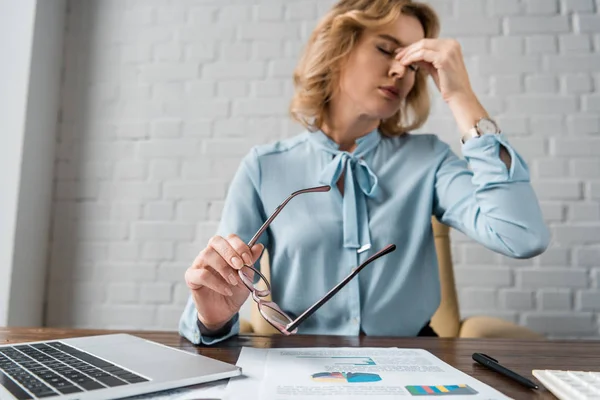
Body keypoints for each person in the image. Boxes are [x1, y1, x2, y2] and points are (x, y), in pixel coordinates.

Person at [179, 0, 550, 345]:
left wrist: (461, 96)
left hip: (417, 361)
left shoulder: (430, 160)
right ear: (339, 49)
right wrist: (211, 320)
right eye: (387, 50)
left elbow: (520, 235)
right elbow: (216, 293)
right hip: (301, 364)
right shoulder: (265, 167)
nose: (399, 71)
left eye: (412, 63)